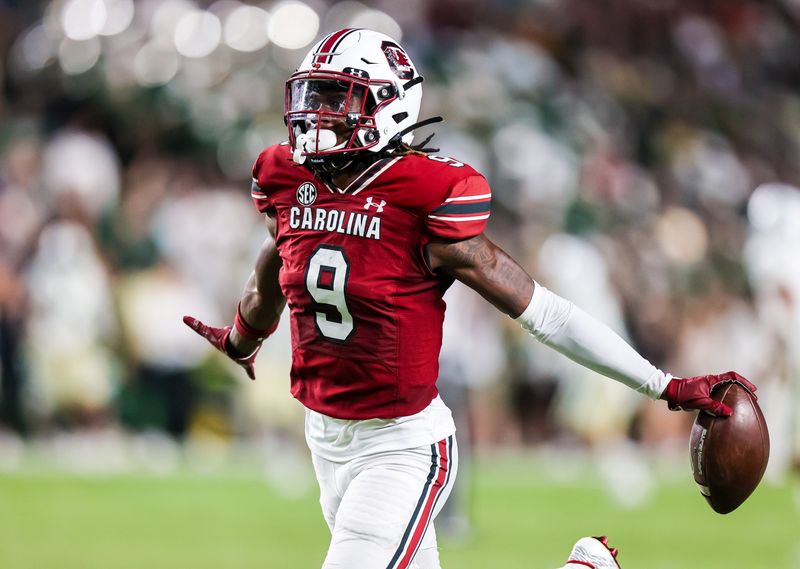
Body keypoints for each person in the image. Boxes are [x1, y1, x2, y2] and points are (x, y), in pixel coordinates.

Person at [184, 28, 756, 569]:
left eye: (338, 97)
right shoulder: (286, 177)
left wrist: (663, 385)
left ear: (387, 107)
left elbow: (545, 313)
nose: (318, 114)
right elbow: (276, 263)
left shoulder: (425, 197)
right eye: (314, 94)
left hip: (401, 446)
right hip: (324, 437)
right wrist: (242, 336)